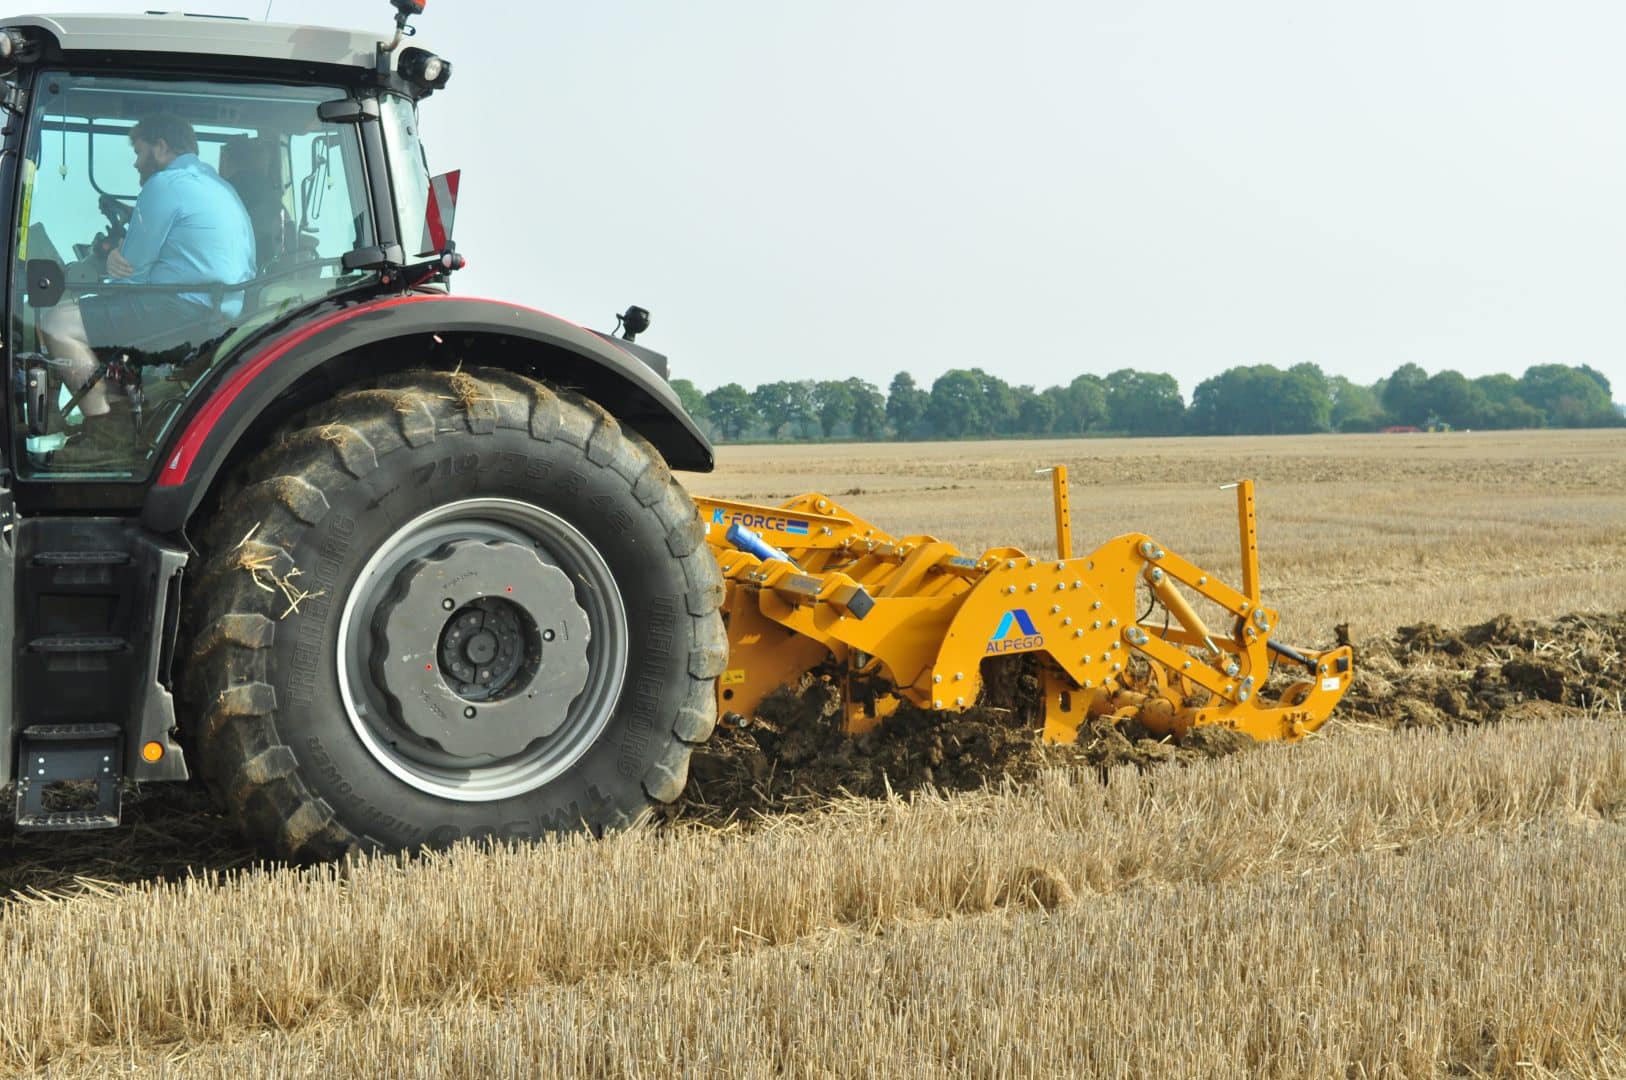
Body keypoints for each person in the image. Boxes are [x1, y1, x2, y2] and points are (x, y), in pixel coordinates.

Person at [38, 113, 256, 465]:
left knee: (57, 322)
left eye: (139, 152)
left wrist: (109, 263)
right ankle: (117, 419)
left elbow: (131, 274)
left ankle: (107, 436)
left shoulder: (165, 184)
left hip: (182, 308)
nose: (136, 163)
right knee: (101, 316)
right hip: (221, 308)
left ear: (161, 147)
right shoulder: (219, 186)